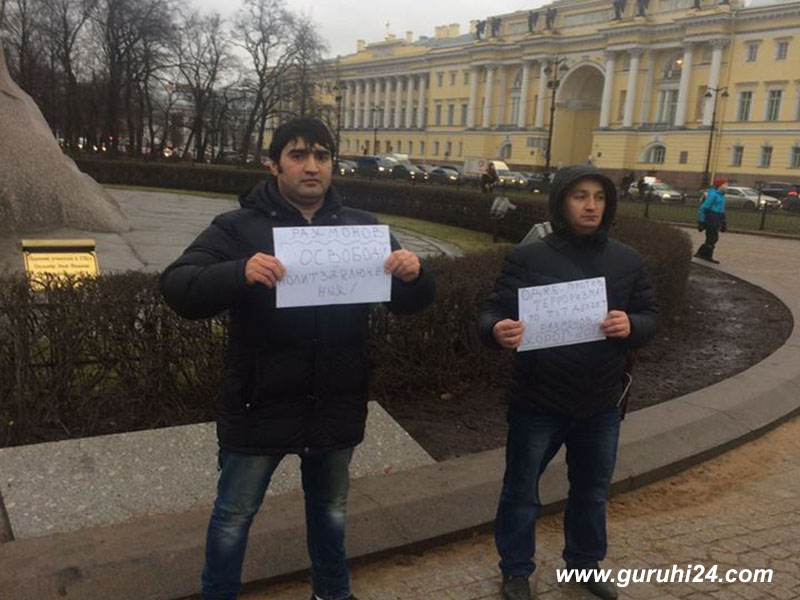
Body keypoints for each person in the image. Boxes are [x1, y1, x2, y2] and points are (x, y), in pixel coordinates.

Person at [160, 117, 435, 600]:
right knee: (234, 514)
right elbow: (179, 287)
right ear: (274, 164)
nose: (312, 166)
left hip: (335, 398)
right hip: (259, 399)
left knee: (330, 509)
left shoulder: (361, 229)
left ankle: (333, 592)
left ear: (333, 165)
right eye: (298, 155)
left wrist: (414, 275)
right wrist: (237, 271)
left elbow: (408, 303)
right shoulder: (238, 227)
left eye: (322, 156)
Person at [479, 165, 660, 600]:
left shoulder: (626, 260)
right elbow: (491, 311)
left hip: (599, 402)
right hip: (537, 400)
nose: (591, 205)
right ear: (562, 202)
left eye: (598, 197)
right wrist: (496, 329)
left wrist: (631, 323)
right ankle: (517, 569)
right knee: (521, 491)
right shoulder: (529, 257)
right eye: (580, 196)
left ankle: (583, 566)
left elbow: (652, 317)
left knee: (592, 493)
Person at [695, 177, 728, 264]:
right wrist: (701, 221)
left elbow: (722, 209)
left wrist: (723, 221)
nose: (727, 186)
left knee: (712, 238)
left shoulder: (722, 195)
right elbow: (704, 208)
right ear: (720, 186)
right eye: (725, 184)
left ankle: (701, 254)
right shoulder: (713, 195)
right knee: (713, 237)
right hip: (711, 218)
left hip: (717, 218)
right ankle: (705, 255)